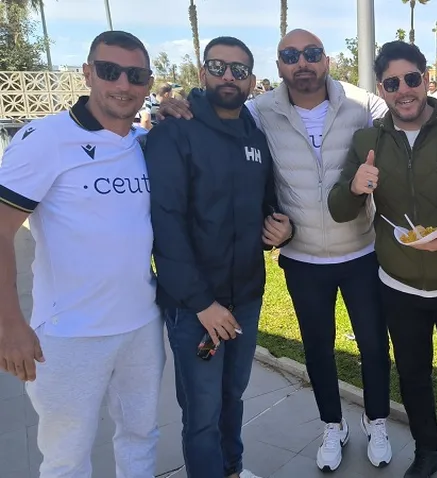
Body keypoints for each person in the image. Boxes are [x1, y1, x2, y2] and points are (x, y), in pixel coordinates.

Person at [156, 28, 437, 472]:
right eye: (290, 55)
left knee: (373, 347)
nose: (301, 62)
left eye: (311, 53)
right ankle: (331, 425)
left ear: (326, 60)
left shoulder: (361, 102)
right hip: (303, 259)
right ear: (278, 66)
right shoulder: (258, 112)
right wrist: (173, 105)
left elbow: (408, 103)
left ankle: (376, 421)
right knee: (318, 350)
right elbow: (221, 125)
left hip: (361, 252)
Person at [328, 40, 437, 478]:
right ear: (381, 90)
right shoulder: (367, 140)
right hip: (399, 285)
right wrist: (355, 187)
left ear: (426, 79)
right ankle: (427, 453)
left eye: (411, 79)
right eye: (391, 83)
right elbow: (339, 210)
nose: (403, 90)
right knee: (413, 376)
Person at [0, 31, 165, 477]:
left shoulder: (143, 143)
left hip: (142, 326)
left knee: (140, 437)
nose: (123, 84)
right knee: (67, 457)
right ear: (88, 73)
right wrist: (9, 323)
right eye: (110, 71)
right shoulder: (46, 138)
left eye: (136, 76)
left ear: (148, 83)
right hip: (69, 334)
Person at [144, 36, 291, 478]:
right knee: (202, 411)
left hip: (245, 296)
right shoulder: (173, 131)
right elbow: (165, 226)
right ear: (202, 72)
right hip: (194, 306)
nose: (229, 76)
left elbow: (266, 206)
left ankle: (232, 468)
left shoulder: (255, 137)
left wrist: (281, 229)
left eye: (239, 70)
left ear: (251, 80)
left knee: (233, 396)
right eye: (218, 66)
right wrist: (201, 303)